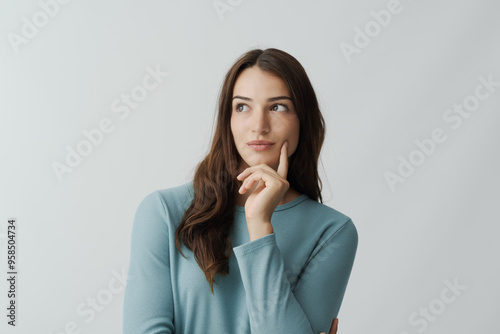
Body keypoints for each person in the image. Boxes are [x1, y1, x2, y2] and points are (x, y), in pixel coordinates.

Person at [123, 48, 358, 334]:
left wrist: (260, 227)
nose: (259, 126)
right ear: (228, 119)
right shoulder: (163, 211)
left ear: (303, 119)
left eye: (278, 107)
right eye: (242, 107)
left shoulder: (332, 232)